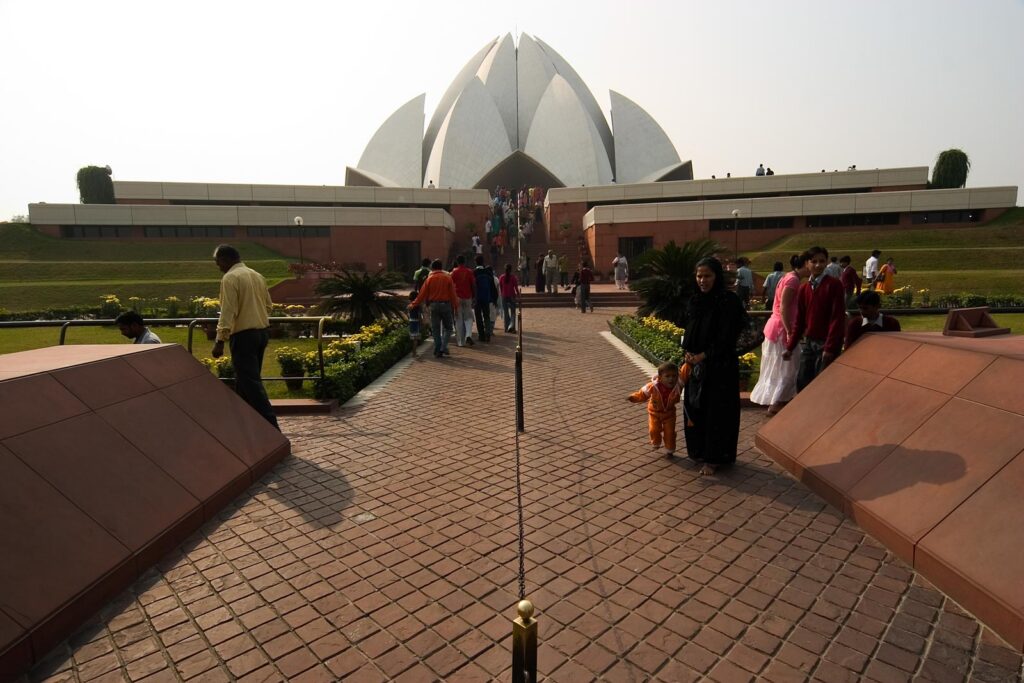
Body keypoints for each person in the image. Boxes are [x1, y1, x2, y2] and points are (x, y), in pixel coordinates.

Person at [682, 257, 745, 475]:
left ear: (717, 276)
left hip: (720, 368)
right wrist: (689, 352)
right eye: (699, 276)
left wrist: (705, 355)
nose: (702, 280)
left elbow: (728, 336)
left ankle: (714, 457)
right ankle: (699, 451)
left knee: (716, 413)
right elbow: (689, 330)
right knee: (695, 408)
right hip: (696, 367)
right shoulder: (695, 300)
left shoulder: (727, 301)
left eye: (707, 276)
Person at [211, 244, 278, 429]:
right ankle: (244, 425)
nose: (218, 267)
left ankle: (271, 426)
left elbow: (228, 312)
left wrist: (219, 341)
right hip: (261, 333)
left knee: (251, 384)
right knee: (245, 382)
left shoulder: (230, 278)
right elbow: (268, 306)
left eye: (218, 262)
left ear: (225, 259)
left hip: (243, 337)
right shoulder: (257, 275)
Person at [751, 253, 810, 416]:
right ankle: (777, 403)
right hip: (781, 330)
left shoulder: (788, 277)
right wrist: (791, 331)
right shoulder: (793, 280)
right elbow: (784, 307)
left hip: (776, 327)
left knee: (780, 367)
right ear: (805, 264)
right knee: (787, 368)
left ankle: (778, 401)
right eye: (812, 262)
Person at [784, 246, 847, 392]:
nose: (818, 265)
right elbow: (800, 320)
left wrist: (830, 347)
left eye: (822, 261)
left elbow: (837, 317)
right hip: (810, 342)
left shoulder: (834, 285)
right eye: (814, 261)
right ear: (807, 263)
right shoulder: (804, 288)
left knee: (823, 386)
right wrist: (790, 347)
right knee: (803, 382)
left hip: (826, 343)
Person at [627, 361, 682, 457]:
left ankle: (670, 449)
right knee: (654, 430)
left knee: (670, 433)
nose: (671, 379)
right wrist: (633, 398)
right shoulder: (652, 386)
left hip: (669, 414)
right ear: (660, 378)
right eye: (667, 376)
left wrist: (689, 363)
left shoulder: (678, 387)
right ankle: (656, 442)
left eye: (674, 376)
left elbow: (685, 373)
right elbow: (642, 394)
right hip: (654, 413)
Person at [409, 260, 458, 358]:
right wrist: (456, 307)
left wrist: (413, 304)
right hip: (446, 305)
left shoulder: (429, 278)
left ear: (432, 268)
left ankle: (438, 348)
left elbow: (422, 294)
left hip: (434, 305)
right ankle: (443, 347)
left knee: (435, 329)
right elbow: (453, 294)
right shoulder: (447, 277)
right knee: (448, 328)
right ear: (441, 267)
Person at [449, 255, 476, 347]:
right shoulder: (469, 271)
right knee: (468, 317)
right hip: (467, 297)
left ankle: (460, 342)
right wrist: (474, 295)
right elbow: (473, 285)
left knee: (458, 319)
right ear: (465, 262)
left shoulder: (453, 272)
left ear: (457, 261)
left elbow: (450, 285)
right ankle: (468, 335)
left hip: (457, 297)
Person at [473, 255, 497, 342]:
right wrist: (494, 298)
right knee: (486, 316)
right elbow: (492, 286)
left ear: (475, 262)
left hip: (477, 298)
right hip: (486, 298)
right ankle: (488, 333)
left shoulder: (474, 272)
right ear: (483, 262)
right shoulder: (488, 272)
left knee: (478, 317)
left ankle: (481, 335)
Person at [498, 263, 520, 333]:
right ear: (511, 270)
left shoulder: (501, 277)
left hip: (504, 296)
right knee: (513, 312)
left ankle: (506, 327)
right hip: (512, 296)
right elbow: (516, 287)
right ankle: (512, 327)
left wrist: (502, 294)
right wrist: (518, 294)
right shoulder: (513, 277)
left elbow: (500, 287)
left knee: (506, 313)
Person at [407, 291, 422, 358]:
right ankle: (414, 353)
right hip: (416, 322)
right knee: (415, 339)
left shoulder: (409, 305)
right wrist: (421, 322)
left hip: (411, 321)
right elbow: (419, 315)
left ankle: (413, 352)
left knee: (412, 338)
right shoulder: (417, 306)